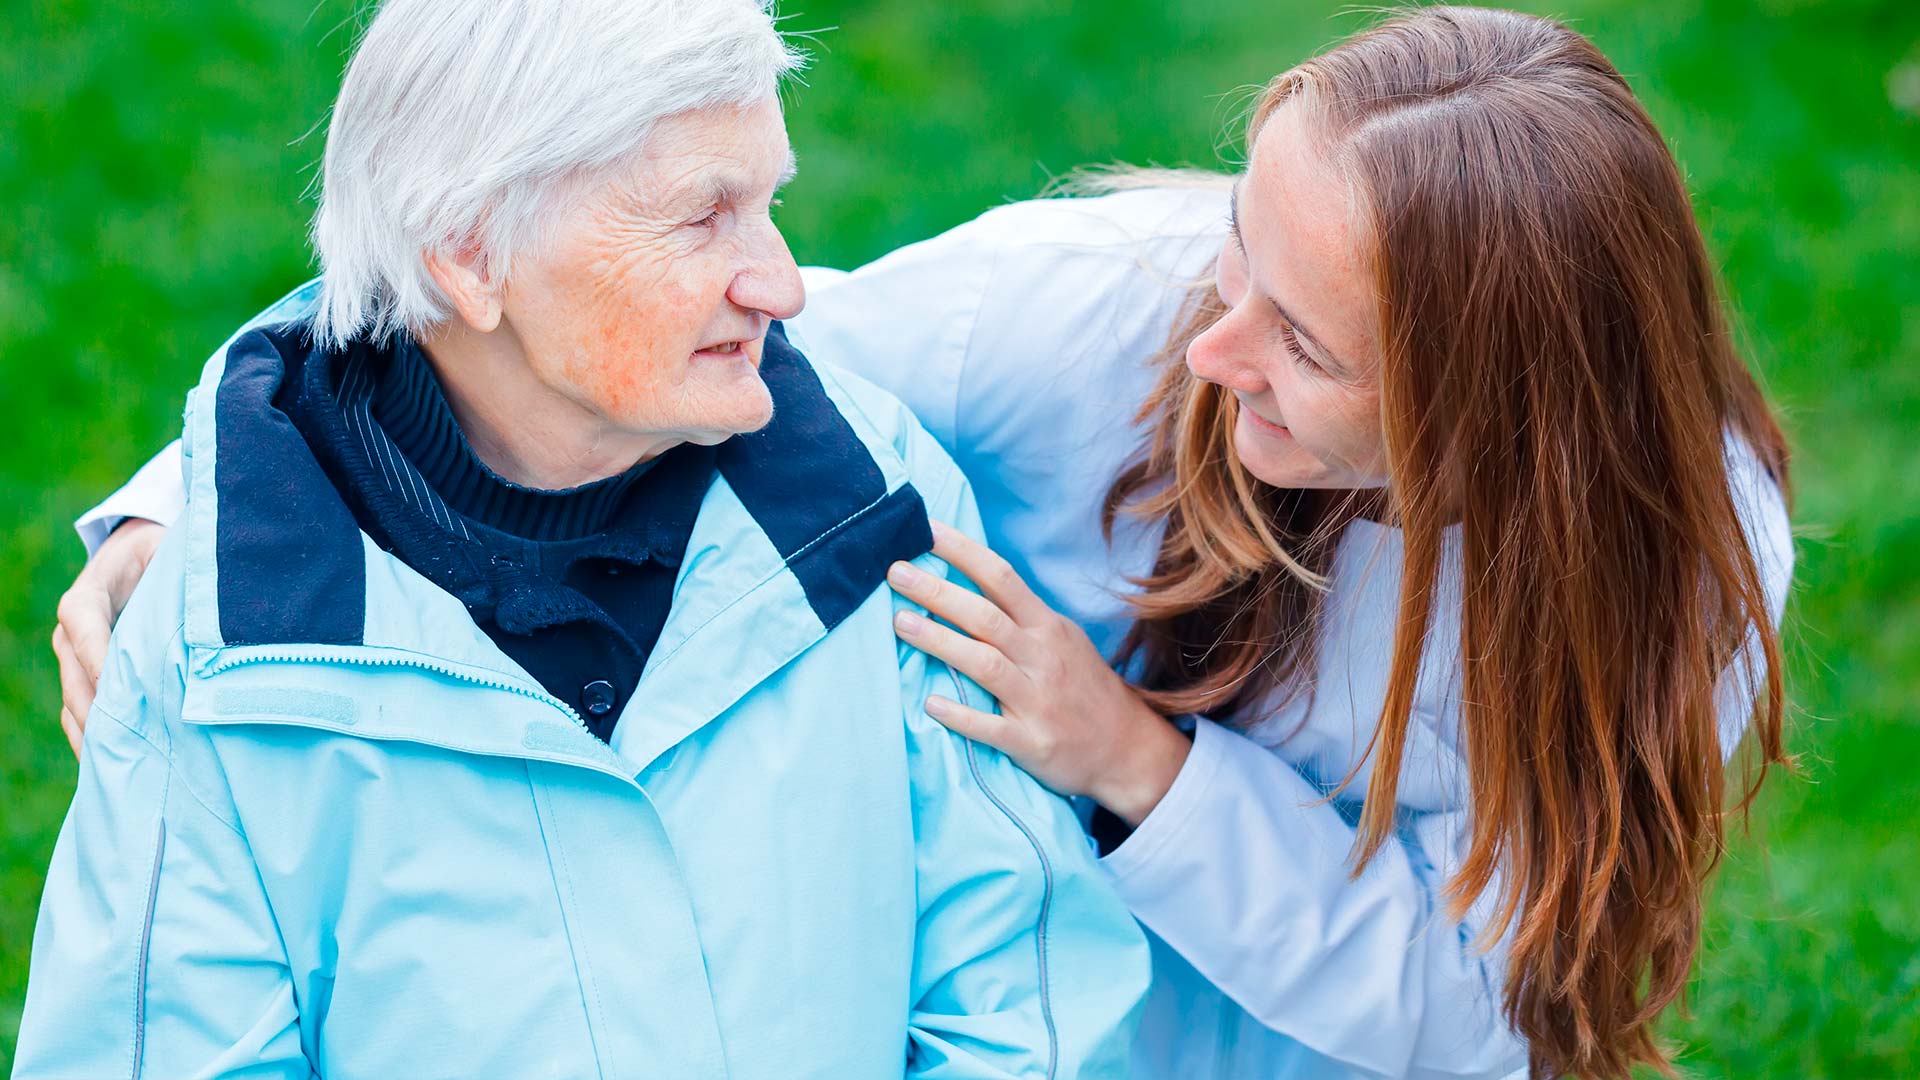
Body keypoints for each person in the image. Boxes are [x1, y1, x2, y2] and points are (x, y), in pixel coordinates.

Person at [53, 7, 1798, 1080]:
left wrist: (1136, 763)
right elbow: (562, 333)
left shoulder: (1683, 574)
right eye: (1235, 254)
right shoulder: (1089, 314)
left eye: (1308, 346)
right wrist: (186, 507)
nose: (1211, 344)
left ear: (1503, 413)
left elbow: (1484, 1007)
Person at [16, 1, 1151, 1077]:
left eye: (769, 204)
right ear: (469, 255)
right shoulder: (221, 656)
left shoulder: (882, 503)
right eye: (705, 216)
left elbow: (1028, 1000)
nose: (784, 282)